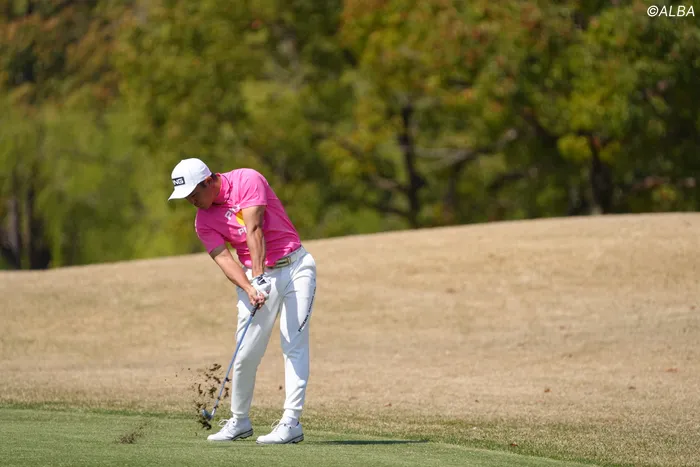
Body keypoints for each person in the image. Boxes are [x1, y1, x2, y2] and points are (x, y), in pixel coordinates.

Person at [168, 158, 317, 445]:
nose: (191, 201)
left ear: (208, 181)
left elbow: (254, 229)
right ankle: (239, 421)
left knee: (293, 343)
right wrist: (250, 286)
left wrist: (259, 277)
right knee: (245, 351)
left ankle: (291, 422)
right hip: (254, 276)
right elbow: (224, 259)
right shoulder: (203, 222)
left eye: (194, 194)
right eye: (186, 197)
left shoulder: (247, 179)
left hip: (296, 267)